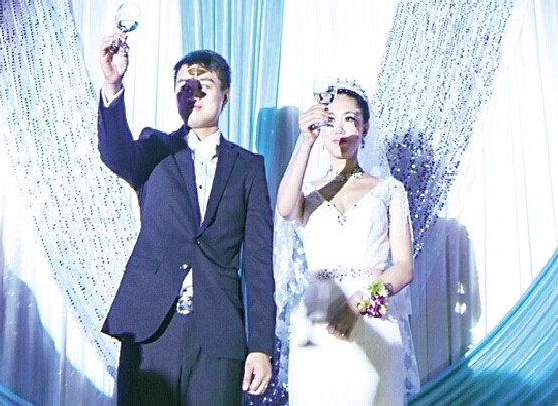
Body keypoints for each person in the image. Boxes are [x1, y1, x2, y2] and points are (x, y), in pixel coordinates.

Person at [97, 30, 276, 406]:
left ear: (226, 95)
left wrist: (260, 346)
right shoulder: (155, 149)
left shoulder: (248, 168)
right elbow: (115, 153)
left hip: (218, 333)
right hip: (151, 328)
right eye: (183, 86)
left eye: (203, 85)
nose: (192, 93)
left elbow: (258, 264)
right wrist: (113, 84)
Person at [274, 79, 419, 405]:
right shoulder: (307, 192)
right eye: (331, 120)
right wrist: (306, 141)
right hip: (317, 322)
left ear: (365, 129)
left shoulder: (389, 189)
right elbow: (284, 209)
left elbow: (404, 267)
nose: (340, 129)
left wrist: (360, 302)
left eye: (350, 119)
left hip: (370, 318)